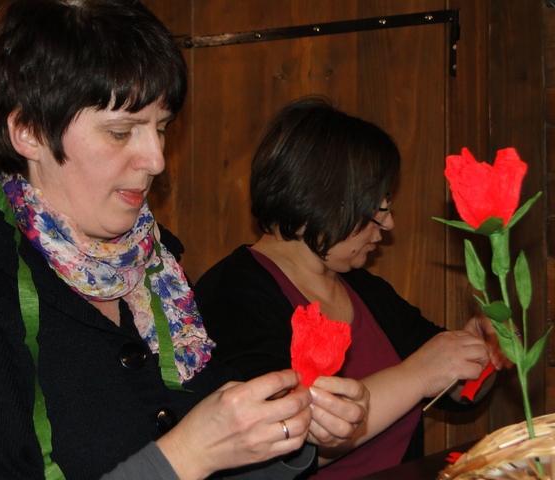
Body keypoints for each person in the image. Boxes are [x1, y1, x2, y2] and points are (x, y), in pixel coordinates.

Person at [0, 4, 369, 480]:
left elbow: (219, 463)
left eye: (161, 127)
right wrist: (187, 454)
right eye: (120, 132)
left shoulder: (156, 272)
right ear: (28, 132)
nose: (156, 160)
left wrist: (292, 432)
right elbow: (187, 458)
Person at [194, 96, 511, 479]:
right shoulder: (232, 294)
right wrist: (417, 375)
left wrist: (477, 353)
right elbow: (273, 446)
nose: (388, 222)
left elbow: (453, 392)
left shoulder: (362, 286)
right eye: (376, 205)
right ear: (323, 198)